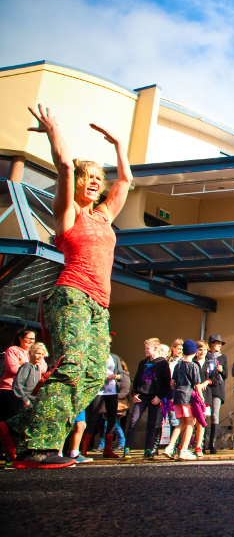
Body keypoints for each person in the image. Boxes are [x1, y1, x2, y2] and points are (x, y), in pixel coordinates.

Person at [0, 105, 132, 470]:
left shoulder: (103, 215)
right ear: (76, 182)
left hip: (100, 306)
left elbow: (124, 181)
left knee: (92, 376)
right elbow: (62, 166)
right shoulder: (67, 211)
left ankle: (19, 428)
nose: (92, 182)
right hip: (70, 295)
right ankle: (36, 450)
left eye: (96, 178)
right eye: (86, 177)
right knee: (70, 365)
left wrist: (120, 144)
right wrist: (53, 130)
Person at [123, 338, 171, 460]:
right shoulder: (143, 363)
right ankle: (127, 448)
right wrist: (135, 393)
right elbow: (138, 379)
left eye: (147, 348)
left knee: (152, 424)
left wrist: (159, 397)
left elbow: (166, 383)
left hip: (154, 398)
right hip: (142, 397)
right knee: (133, 421)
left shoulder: (162, 363)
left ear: (155, 348)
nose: (145, 350)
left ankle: (148, 449)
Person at [163, 340, 201, 461]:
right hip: (188, 396)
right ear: (194, 351)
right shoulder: (193, 366)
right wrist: (201, 397)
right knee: (190, 422)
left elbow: (172, 383)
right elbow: (197, 384)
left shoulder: (178, 364)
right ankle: (184, 450)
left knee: (181, 423)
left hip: (177, 396)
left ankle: (169, 447)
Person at [83, 350, 122, 459]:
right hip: (98, 391)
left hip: (112, 391)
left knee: (112, 419)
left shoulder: (114, 357)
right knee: (92, 418)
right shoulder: (94, 355)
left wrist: (116, 376)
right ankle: (84, 450)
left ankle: (107, 450)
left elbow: (121, 374)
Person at [2, 331, 39, 421]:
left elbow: (42, 368)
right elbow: (12, 368)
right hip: (10, 390)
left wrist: (23, 364)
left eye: (33, 339)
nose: (31, 341)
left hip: (27, 394)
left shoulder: (35, 353)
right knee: (8, 420)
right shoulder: (13, 350)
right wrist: (28, 365)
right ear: (20, 338)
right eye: (28, 338)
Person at [205, 334, 228, 454]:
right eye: (218, 343)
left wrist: (221, 370)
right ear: (211, 344)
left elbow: (226, 375)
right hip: (207, 387)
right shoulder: (206, 357)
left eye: (220, 343)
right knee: (204, 415)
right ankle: (203, 442)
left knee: (215, 414)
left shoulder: (223, 357)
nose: (219, 345)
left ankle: (212, 444)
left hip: (218, 388)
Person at [11, 342, 48, 415]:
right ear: (31, 353)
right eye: (38, 353)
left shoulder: (38, 369)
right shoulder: (26, 366)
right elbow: (17, 385)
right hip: (22, 404)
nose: (40, 356)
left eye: (42, 354)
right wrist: (25, 401)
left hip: (33, 403)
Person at [193, 340, 216, 458]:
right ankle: (187, 445)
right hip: (192, 396)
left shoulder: (210, 364)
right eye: (200, 349)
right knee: (190, 422)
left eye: (204, 350)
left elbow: (216, 379)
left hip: (205, 396)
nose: (202, 352)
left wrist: (207, 382)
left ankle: (199, 446)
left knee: (201, 422)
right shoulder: (192, 363)